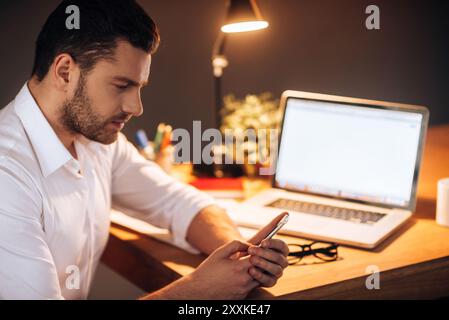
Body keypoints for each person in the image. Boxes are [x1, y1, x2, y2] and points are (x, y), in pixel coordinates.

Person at [0, 0, 289, 300]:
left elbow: (179, 203)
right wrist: (198, 290)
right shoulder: (7, 176)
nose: (135, 107)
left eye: (138, 87)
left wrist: (243, 255)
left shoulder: (96, 142)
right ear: (64, 72)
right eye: (121, 85)